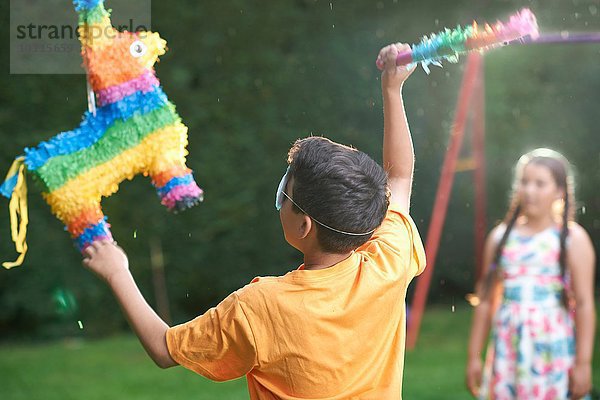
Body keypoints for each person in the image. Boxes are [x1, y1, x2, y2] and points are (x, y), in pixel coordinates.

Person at [82, 43, 426, 399]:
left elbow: (164, 349)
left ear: (304, 226)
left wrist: (116, 270)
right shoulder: (388, 264)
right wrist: (393, 88)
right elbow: (399, 178)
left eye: (285, 192)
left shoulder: (260, 307)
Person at [466, 149, 596, 399]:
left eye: (540, 183)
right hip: (508, 350)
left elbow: (584, 304)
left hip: (553, 350)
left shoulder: (572, 239)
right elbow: (484, 301)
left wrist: (583, 362)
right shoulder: (500, 238)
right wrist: (474, 356)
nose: (529, 190)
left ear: (559, 191)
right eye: (524, 182)